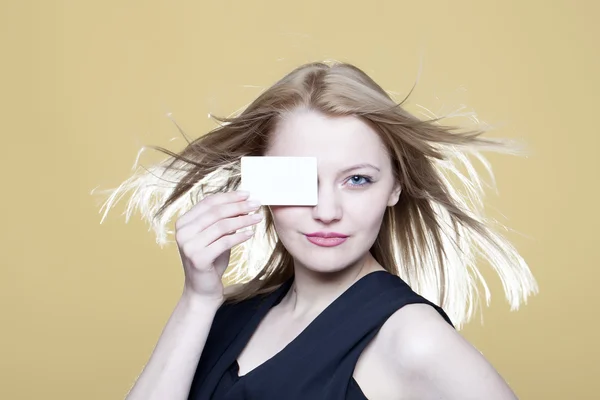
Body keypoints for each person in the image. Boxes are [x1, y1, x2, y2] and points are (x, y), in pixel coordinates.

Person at [98, 61, 538, 399]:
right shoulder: (228, 315)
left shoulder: (412, 338)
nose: (327, 211)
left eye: (358, 180)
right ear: (261, 184)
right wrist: (197, 299)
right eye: (300, 180)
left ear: (394, 188)